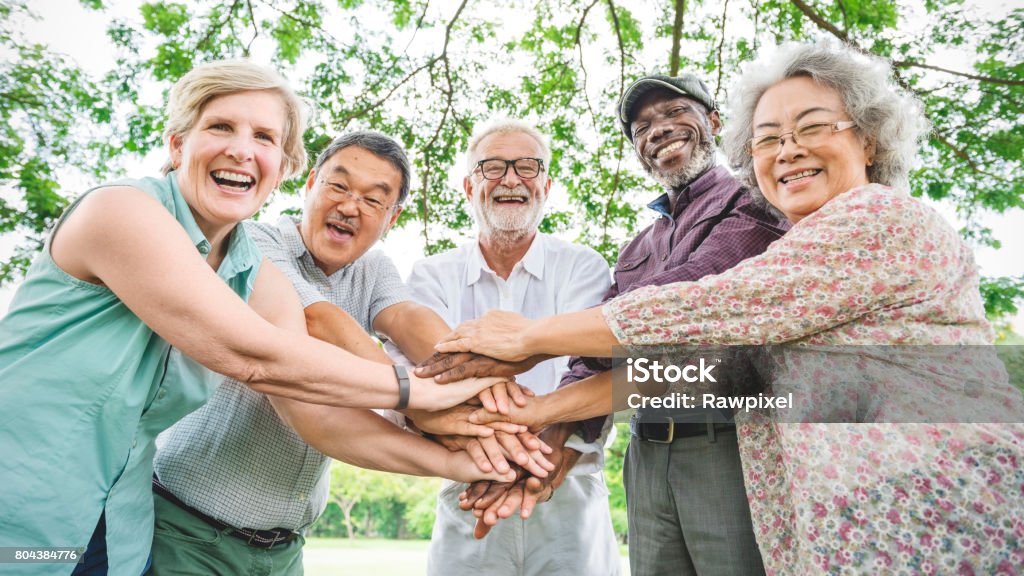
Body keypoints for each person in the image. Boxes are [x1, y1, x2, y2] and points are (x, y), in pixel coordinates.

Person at [437, 41, 1024, 573]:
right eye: (769, 139)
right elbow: (702, 367)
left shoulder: (873, 216)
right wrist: (543, 421)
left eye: (812, 127)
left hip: (931, 505)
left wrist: (530, 338)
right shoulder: (652, 246)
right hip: (824, 512)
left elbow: (709, 306)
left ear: (867, 139)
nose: (789, 151)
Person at [0, 59, 503, 576]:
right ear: (177, 145)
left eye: (264, 137)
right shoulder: (120, 210)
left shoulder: (246, 265)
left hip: (118, 528)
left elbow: (310, 393)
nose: (242, 149)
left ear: (281, 165)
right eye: (221, 126)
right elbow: (258, 355)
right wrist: (420, 392)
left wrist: (471, 454)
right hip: (23, 512)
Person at [444, 74, 788, 576]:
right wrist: (551, 445)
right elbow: (592, 356)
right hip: (645, 453)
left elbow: (681, 306)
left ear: (713, 122)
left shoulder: (751, 203)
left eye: (674, 113)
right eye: (642, 127)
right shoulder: (635, 249)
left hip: (723, 448)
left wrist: (529, 342)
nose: (658, 130)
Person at [148, 130, 524, 575]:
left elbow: (407, 320)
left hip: (283, 549)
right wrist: (422, 406)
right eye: (339, 186)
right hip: (189, 531)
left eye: (373, 199)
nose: (349, 206)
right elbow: (316, 320)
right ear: (310, 185)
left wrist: (489, 402)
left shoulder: (374, 268)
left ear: (393, 218)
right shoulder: (254, 242)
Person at [396, 120, 618, 575]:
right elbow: (420, 377)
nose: (512, 179)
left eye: (528, 167)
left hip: (569, 489)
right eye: (493, 167)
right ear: (468, 185)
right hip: (470, 489)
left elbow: (593, 363)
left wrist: (549, 454)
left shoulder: (582, 266)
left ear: (547, 184)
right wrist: (504, 453)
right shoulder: (431, 275)